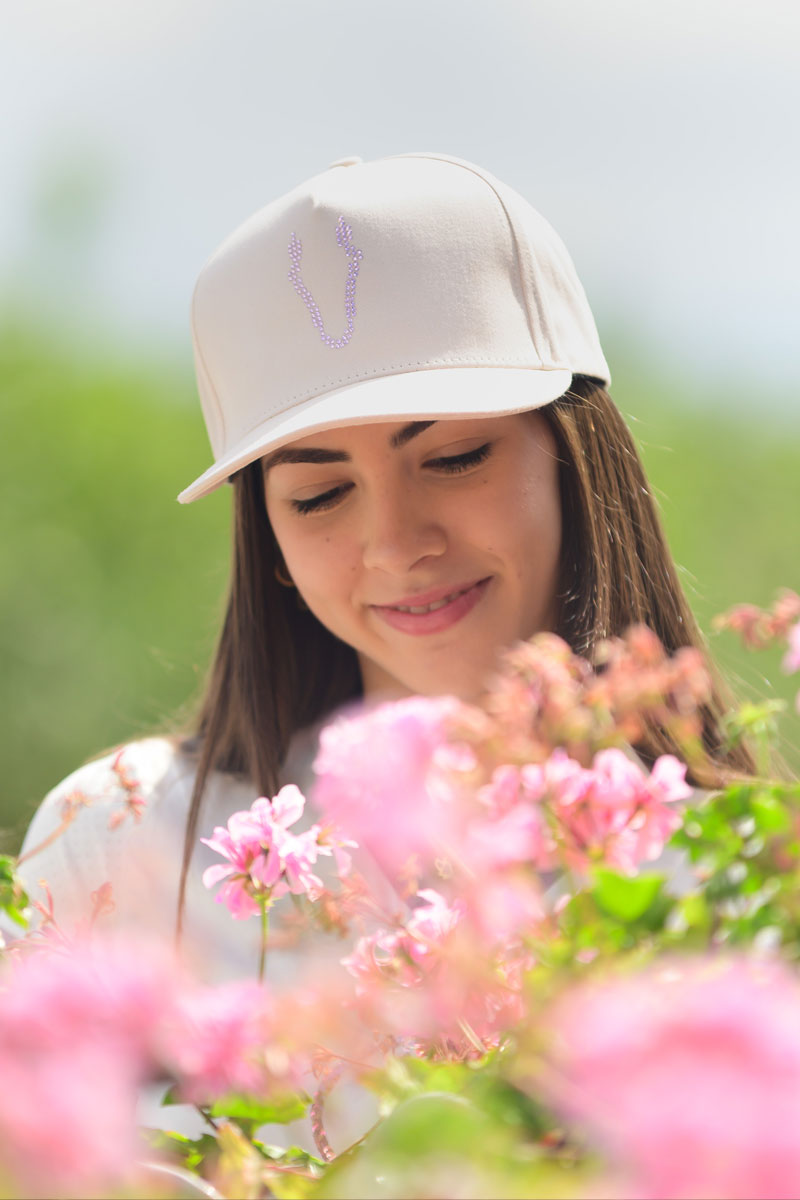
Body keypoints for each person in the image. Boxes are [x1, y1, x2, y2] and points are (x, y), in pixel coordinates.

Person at [11, 151, 754, 978]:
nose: (397, 544)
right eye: (321, 495)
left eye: (457, 456)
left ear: (577, 461)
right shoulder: (123, 839)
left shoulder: (737, 875)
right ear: (271, 541)